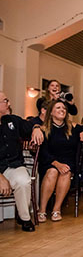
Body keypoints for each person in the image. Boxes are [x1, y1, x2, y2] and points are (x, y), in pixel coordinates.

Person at [37, 100, 83, 222]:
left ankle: (56, 209)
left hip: (68, 162)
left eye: (64, 108)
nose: (62, 110)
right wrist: (56, 164)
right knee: (52, 172)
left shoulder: (73, 127)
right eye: (58, 108)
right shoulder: (44, 129)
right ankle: (42, 210)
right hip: (49, 161)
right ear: (51, 112)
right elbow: (43, 152)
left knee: (66, 172)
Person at [0, 91, 43, 232]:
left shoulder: (13, 120)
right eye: (5, 101)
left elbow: (30, 125)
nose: (9, 103)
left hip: (13, 165)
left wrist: (36, 128)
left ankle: (24, 218)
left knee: (23, 181)